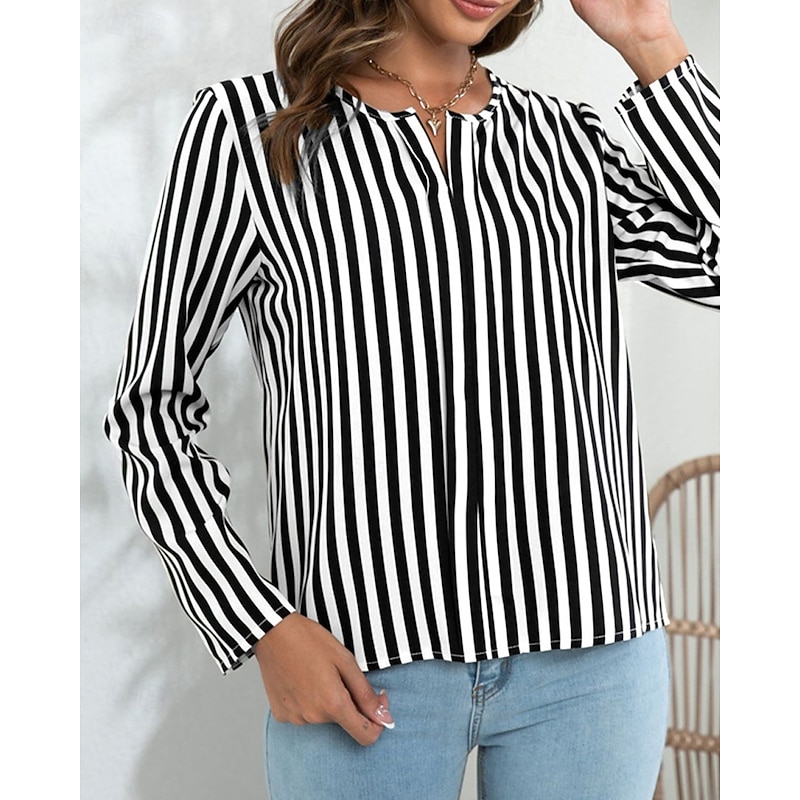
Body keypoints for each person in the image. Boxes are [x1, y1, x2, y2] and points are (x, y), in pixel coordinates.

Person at [104, 0, 719, 797]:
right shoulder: (251, 133)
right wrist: (258, 624)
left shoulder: (568, 144)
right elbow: (150, 406)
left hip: (593, 661)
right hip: (364, 667)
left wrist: (648, 36)